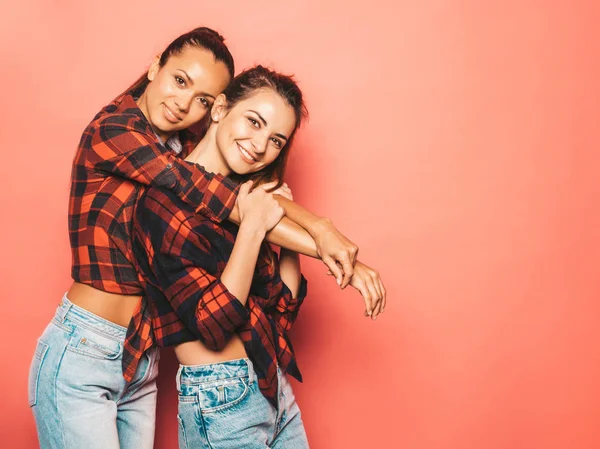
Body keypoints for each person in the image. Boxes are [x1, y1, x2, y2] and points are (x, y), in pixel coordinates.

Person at [28, 28, 360, 449]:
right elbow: (222, 195)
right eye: (180, 80)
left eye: (203, 99)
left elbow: (247, 202)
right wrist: (322, 234)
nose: (185, 103)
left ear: (216, 107)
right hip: (84, 348)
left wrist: (308, 229)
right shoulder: (116, 131)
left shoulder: (182, 145)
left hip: (140, 357)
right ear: (155, 67)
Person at [132, 65, 386, 448]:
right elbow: (214, 326)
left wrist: (280, 227)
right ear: (219, 109)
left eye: (276, 140)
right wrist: (254, 228)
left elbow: (281, 310)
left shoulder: (249, 201)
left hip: (273, 390)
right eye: (253, 121)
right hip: (219, 399)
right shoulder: (163, 203)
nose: (259, 145)